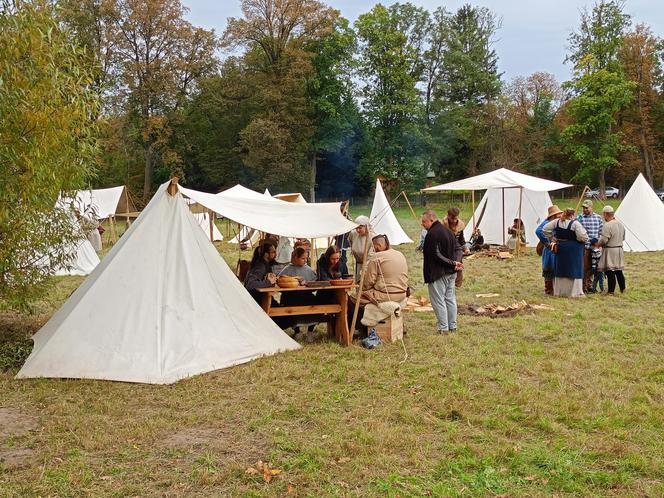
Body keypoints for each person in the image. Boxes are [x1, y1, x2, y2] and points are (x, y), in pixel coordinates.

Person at [421, 210, 464, 334]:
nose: (422, 224)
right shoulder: (448, 232)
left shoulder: (432, 234)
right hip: (451, 272)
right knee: (450, 299)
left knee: (439, 300)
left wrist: (454, 263)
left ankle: (443, 328)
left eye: (424, 221)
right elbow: (458, 249)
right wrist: (455, 262)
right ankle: (452, 326)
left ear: (432, 220)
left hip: (439, 273)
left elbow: (435, 255)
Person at [542, 208, 589, 297]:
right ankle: (574, 292)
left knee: (561, 268)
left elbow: (545, 229)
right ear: (572, 215)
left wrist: (552, 237)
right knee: (574, 268)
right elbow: (583, 237)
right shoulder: (575, 224)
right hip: (574, 250)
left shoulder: (556, 222)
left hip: (561, 248)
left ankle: (560, 292)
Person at [354, 235, 409, 306]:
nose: (373, 250)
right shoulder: (400, 254)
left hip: (385, 295)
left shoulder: (377, 256)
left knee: (354, 298)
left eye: (374, 247)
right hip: (402, 294)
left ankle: (364, 317)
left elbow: (369, 282)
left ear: (379, 245)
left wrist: (362, 283)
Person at [596, 205, 626, 295]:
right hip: (619, 249)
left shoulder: (607, 225)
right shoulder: (621, 224)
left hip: (610, 250)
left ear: (605, 214)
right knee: (618, 270)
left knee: (610, 270)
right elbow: (623, 237)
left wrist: (598, 243)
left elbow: (604, 240)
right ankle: (623, 289)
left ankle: (611, 291)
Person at [535, 205, 563, 295]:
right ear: (553, 215)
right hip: (549, 249)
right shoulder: (547, 222)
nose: (559, 215)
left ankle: (554, 289)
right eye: (558, 214)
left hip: (554, 249)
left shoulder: (555, 222)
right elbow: (538, 231)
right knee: (548, 267)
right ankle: (549, 290)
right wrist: (548, 241)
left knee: (554, 267)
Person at [578, 200, 603, 293]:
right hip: (585, 247)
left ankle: (590, 286)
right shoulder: (580, 218)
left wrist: (598, 242)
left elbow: (601, 231)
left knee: (594, 268)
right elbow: (578, 232)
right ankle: (583, 286)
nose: (585, 209)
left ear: (591, 207)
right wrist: (587, 240)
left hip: (595, 247)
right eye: (584, 208)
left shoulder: (598, 217)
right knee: (585, 267)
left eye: (586, 208)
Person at [244, 239, 278, 304]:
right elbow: (250, 285)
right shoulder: (260, 266)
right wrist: (268, 282)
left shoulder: (267, 264)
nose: (275, 254)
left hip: (263, 297)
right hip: (255, 301)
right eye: (273, 252)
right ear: (266, 254)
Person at [443, 207, 468, 287]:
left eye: (455, 218)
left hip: (457, 249)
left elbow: (461, 239)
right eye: (452, 218)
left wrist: (465, 248)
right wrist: (446, 226)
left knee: (458, 264)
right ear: (448, 216)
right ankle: (446, 283)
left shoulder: (460, 225)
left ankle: (457, 284)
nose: (454, 221)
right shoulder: (442, 225)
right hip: (445, 248)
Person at [348, 215, 376, 282]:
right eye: (356, 228)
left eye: (360, 228)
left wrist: (364, 269)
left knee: (366, 284)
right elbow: (350, 240)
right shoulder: (353, 233)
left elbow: (371, 256)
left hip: (368, 265)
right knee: (358, 284)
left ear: (366, 227)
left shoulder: (373, 237)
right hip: (358, 264)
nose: (357, 230)